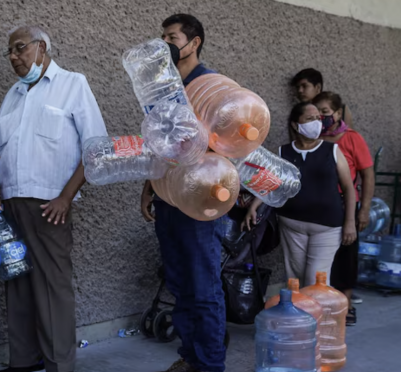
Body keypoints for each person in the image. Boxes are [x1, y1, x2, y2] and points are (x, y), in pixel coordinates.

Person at [0, 25, 108, 372]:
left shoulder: (73, 85)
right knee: (17, 283)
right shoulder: (14, 94)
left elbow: (95, 148)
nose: (13, 57)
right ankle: (22, 360)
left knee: (52, 288)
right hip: (9, 207)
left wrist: (66, 197)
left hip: (50, 206)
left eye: (19, 48)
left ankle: (59, 364)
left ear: (41, 48)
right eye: (9, 51)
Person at [140, 14, 228, 372]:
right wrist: (148, 187)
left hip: (201, 202)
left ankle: (209, 364)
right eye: (162, 36)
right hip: (168, 197)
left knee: (203, 285)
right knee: (178, 282)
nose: (165, 43)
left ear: (194, 43)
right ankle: (190, 356)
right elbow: (159, 144)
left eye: (172, 37)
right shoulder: (164, 87)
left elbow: (231, 144)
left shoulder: (212, 88)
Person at [244, 102, 357, 289]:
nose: (316, 122)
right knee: (295, 279)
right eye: (310, 118)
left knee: (316, 280)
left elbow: (349, 188)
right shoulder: (283, 152)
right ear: (296, 125)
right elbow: (271, 183)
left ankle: (316, 317)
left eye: (318, 119)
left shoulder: (332, 150)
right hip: (291, 225)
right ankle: (299, 317)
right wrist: (253, 207)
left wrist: (350, 222)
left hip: (327, 228)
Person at [313, 91, 374, 325]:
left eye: (325, 113)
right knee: (322, 257)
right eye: (317, 114)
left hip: (345, 204)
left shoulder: (351, 138)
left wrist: (364, 210)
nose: (321, 118)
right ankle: (322, 304)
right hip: (318, 205)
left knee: (345, 256)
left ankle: (345, 306)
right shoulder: (314, 139)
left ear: (338, 114)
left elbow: (368, 175)